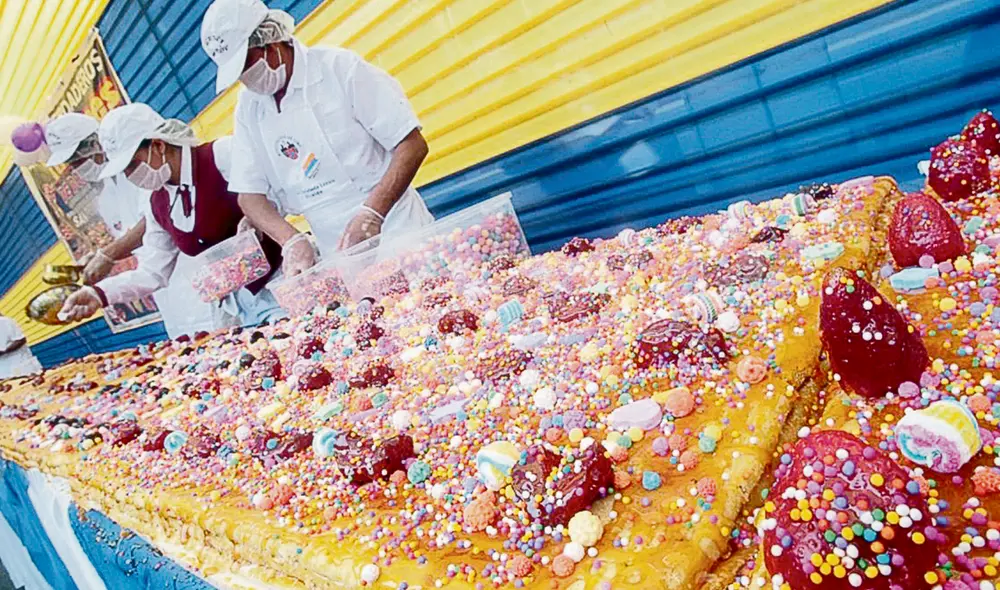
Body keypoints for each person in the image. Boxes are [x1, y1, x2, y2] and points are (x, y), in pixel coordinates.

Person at [200, 0, 434, 276]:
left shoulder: (339, 68)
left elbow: (411, 145)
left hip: (397, 227)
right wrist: (292, 241)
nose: (243, 79)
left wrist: (373, 214)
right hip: (336, 251)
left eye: (245, 64)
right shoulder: (249, 108)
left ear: (270, 42)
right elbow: (249, 196)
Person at [58, 103, 285, 328]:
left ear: (158, 146)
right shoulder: (157, 202)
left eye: (132, 165)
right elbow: (153, 272)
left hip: (282, 284)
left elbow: (281, 189)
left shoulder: (221, 156)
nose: (130, 176)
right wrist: (99, 294)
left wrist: (260, 215)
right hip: (238, 308)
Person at [45, 112, 216, 338]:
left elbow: (158, 220)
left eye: (77, 159)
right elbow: (144, 246)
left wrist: (108, 254)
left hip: (197, 277)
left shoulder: (150, 172)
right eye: (71, 164)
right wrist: (100, 267)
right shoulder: (106, 197)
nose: (76, 167)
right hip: (163, 288)